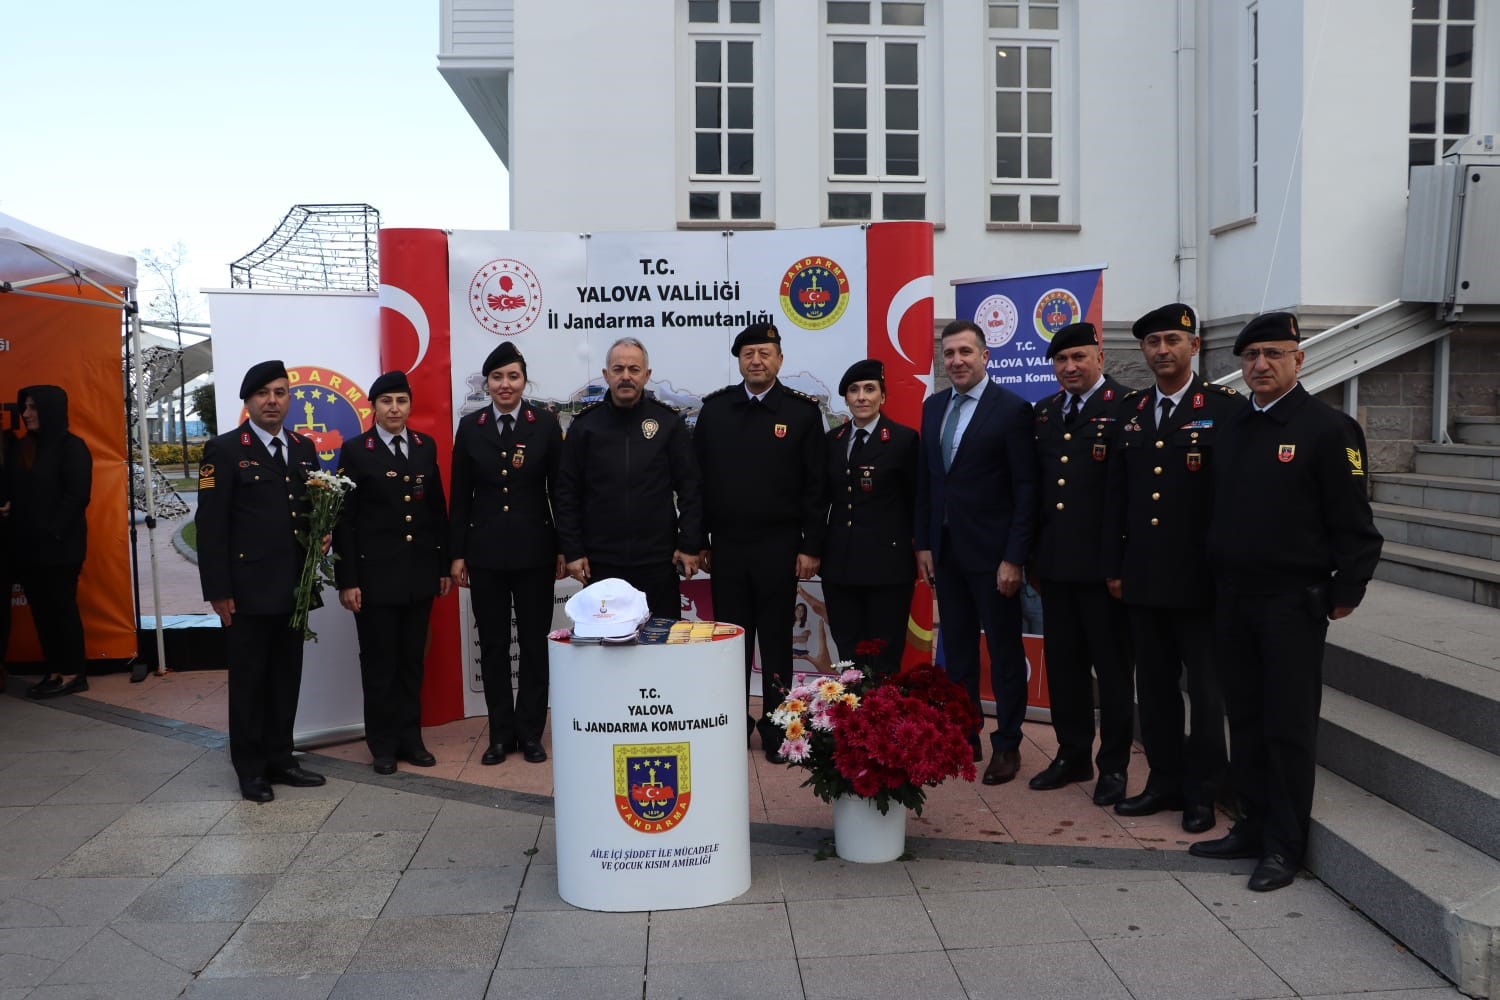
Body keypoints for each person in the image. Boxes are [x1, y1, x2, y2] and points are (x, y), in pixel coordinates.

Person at [1192, 311, 1383, 891]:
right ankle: (1251, 825)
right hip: (1233, 599)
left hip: (1291, 604)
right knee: (1244, 718)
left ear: (1299, 359)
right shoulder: (1231, 426)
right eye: (1250, 356)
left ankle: (1284, 844)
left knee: (1288, 726)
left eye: (1274, 354)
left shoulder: (1329, 429)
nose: (1260, 366)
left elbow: (1356, 524)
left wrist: (1344, 591)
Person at [1103, 304, 1245, 833]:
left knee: (1206, 693)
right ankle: (1163, 780)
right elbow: (1116, 498)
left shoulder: (1225, 408)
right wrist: (1114, 567)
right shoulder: (1132, 410)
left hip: (1200, 581)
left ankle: (1203, 791)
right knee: (1155, 688)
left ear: (1195, 345)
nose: (1162, 349)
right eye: (1152, 342)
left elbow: (1233, 499)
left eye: (1172, 340)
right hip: (1142, 576)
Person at [693, 321, 826, 761]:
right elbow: (697, 482)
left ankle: (776, 729)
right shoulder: (716, 411)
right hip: (727, 548)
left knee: (774, 644)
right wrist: (697, 539)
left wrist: (811, 547)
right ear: (739, 361)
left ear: (779, 360)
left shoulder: (802, 414)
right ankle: (731, 725)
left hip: (780, 548)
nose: (756, 360)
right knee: (730, 644)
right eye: (748, 353)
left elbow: (815, 488)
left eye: (765, 353)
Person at [196, 361, 326, 803]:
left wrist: (322, 532)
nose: (273, 400)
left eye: (281, 392)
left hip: (292, 588)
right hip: (247, 591)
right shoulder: (226, 449)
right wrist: (218, 590)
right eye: (263, 393)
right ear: (247, 401)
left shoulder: (304, 448)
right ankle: (250, 768)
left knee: (286, 677)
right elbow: (211, 526)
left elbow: (307, 511)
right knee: (250, 681)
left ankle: (281, 758)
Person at [915, 320, 1038, 785]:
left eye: (966, 352)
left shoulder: (1011, 410)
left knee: (1004, 654)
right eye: (948, 354)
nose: (957, 361)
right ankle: (966, 737)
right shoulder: (933, 409)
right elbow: (928, 482)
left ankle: (1008, 744)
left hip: (993, 559)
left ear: (985, 356)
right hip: (945, 554)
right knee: (959, 652)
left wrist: (1014, 558)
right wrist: (923, 543)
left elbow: (1026, 490)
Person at [1028, 323, 1135, 805]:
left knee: (1111, 673)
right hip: (1055, 568)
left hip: (1103, 572)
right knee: (1065, 670)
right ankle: (1072, 755)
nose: (1069, 367)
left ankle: (1113, 766)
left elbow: (1126, 498)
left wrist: (1119, 565)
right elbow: (1038, 492)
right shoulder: (1045, 412)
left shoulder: (1127, 407)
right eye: (1061, 360)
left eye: (1078, 357)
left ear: (1100, 358)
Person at [449, 342, 564, 766]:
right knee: (494, 645)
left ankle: (531, 733)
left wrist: (563, 548)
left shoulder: (546, 424)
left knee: (534, 644)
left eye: (512, 376)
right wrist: (457, 553)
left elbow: (560, 491)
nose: (505, 385)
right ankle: (500, 735)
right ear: (486, 383)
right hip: (485, 554)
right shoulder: (471, 426)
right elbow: (460, 495)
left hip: (535, 551)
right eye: (497, 377)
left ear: (524, 380)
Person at [334, 370, 451, 775]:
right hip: (374, 579)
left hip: (418, 575)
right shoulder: (356, 451)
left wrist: (442, 566)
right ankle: (382, 744)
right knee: (380, 663)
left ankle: (410, 738)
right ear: (374, 407)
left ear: (410, 405)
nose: (395, 408)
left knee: (411, 660)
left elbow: (436, 509)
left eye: (401, 401)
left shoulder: (424, 446)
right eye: (387, 402)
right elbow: (344, 521)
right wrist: (347, 579)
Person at [554, 337, 703, 618]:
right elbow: (566, 493)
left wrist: (689, 544)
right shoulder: (585, 426)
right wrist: (572, 551)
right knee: (606, 650)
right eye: (618, 368)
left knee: (660, 648)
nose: (626, 376)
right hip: (600, 563)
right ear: (606, 374)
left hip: (658, 561)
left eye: (634, 370)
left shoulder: (668, 423)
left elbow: (690, 488)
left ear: (647, 375)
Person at [820, 358, 919, 677]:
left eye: (869, 389)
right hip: (840, 565)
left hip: (887, 567)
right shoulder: (832, 442)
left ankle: (883, 722)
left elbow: (916, 501)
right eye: (854, 390)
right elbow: (821, 500)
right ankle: (849, 721)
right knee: (847, 652)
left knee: (885, 654)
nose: (861, 397)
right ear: (845, 399)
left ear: (883, 396)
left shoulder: (903, 440)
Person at [4, 386, 92, 698]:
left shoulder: (72, 448)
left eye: (32, 408)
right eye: (24, 408)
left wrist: (52, 532)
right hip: (27, 548)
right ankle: (55, 671)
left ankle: (73, 674)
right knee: (41, 612)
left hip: (60, 549)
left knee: (61, 609)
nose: (25, 414)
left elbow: (77, 496)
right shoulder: (22, 448)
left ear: (50, 409)